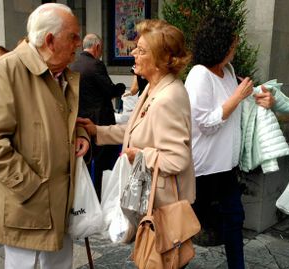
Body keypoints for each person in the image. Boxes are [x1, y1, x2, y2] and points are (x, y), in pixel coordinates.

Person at [0, 4, 89, 269]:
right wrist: (31, 187)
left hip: (60, 205)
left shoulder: (62, 74)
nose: (79, 43)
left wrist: (80, 134)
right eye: (73, 36)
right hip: (27, 210)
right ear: (50, 40)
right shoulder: (6, 71)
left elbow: (61, 122)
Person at [77, 18, 195, 223]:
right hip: (150, 201)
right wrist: (97, 131)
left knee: (157, 255)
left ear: (163, 58)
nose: (133, 54)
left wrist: (139, 155)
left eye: (141, 50)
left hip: (164, 206)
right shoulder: (153, 87)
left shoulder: (170, 97)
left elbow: (176, 160)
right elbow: (137, 128)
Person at [184, 16, 273, 269]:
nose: (237, 45)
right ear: (220, 43)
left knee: (235, 220)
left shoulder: (229, 71)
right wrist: (237, 96)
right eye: (233, 41)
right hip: (203, 169)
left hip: (226, 167)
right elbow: (205, 123)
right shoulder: (199, 74)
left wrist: (262, 98)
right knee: (187, 226)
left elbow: (237, 106)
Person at [70, 33, 126, 198]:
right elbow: (109, 90)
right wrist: (121, 88)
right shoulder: (95, 65)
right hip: (99, 120)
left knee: (84, 161)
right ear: (97, 47)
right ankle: (100, 197)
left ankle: (85, 198)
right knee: (102, 164)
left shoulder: (73, 64)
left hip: (80, 119)